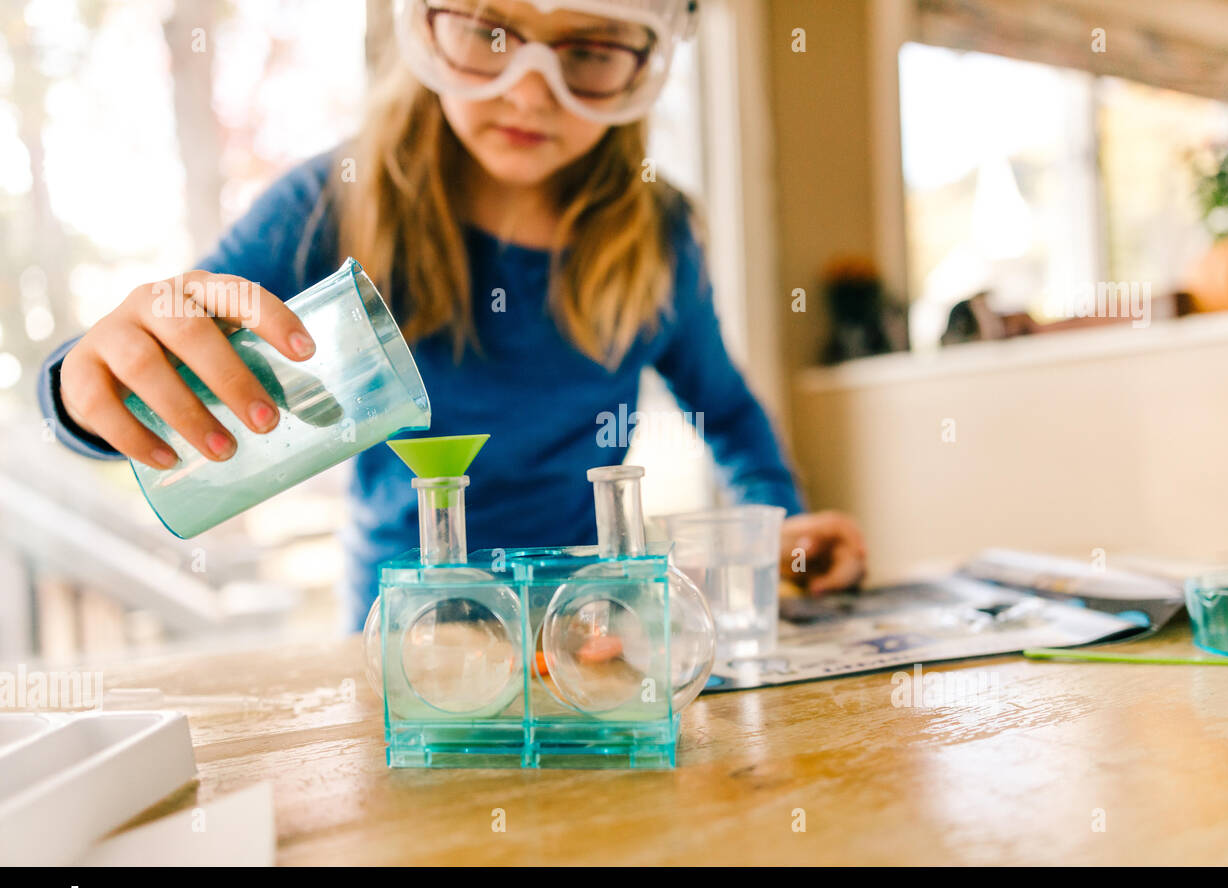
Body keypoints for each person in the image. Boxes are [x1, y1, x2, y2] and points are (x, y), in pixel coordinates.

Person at [37, 0, 866, 632]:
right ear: (426, 29)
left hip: (581, 626)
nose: (532, 95)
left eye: (591, 49)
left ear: (646, 59)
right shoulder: (333, 203)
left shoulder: (657, 236)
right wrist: (84, 384)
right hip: (400, 635)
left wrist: (781, 528)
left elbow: (725, 410)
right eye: (490, 31)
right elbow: (149, 356)